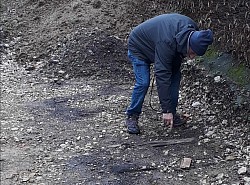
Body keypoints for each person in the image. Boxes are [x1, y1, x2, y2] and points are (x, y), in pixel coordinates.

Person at [125, 13, 213, 134]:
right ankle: (132, 115)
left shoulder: (193, 31)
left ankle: (172, 113)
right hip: (139, 46)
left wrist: (169, 110)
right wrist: (165, 110)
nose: (192, 57)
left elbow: (173, 69)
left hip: (159, 45)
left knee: (175, 77)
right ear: (189, 44)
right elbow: (162, 74)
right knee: (143, 83)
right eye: (192, 53)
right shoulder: (166, 42)